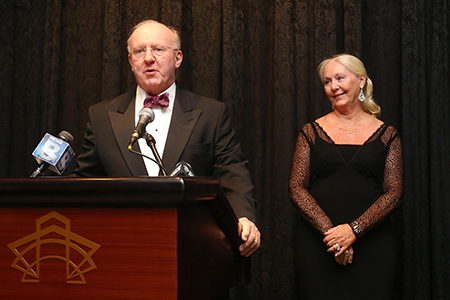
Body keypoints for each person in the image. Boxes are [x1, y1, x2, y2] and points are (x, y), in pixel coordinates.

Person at [71, 19, 260, 258]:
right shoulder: (100, 116)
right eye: (139, 51)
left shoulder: (211, 113)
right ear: (131, 61)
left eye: (158, 49)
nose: (149, 58)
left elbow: (233, 174)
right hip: (121, 251)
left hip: (193, 248)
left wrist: (243, 217)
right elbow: (84, 183)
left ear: (178, 58)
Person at [289, 54, 403, 299]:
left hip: (373, 246)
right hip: (319, 245)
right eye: (328, 82)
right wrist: (334, 236)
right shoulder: (310, 132)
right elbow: (297, 188)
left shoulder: (387, 134)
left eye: (340, 78)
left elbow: (394, 193)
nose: (334, 86)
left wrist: (354, 230)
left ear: (361, 81)